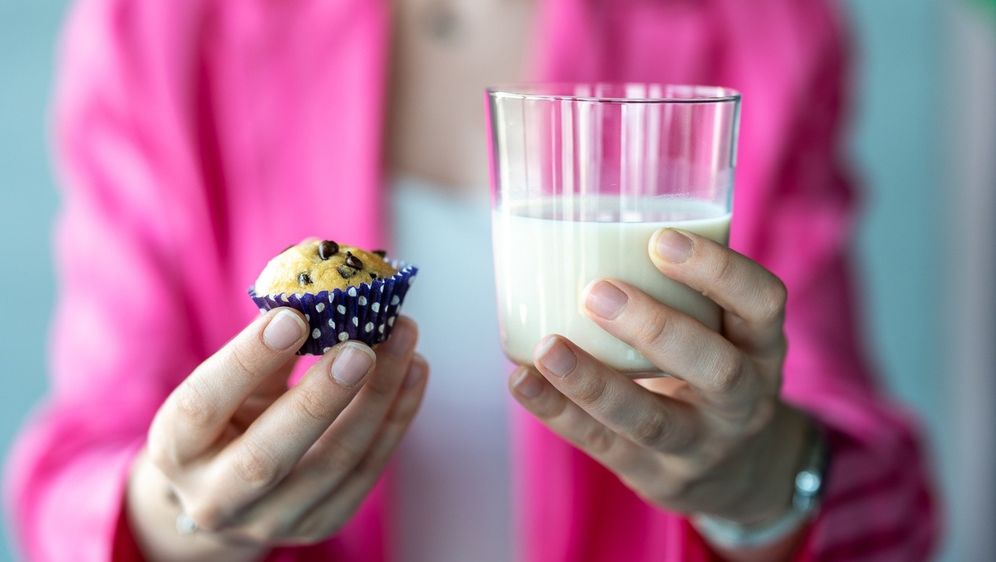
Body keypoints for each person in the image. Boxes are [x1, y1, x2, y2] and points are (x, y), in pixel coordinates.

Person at [4, 0, 938, 561]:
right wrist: (177, 521)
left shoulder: (759, 27)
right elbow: (67, 479)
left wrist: (765, 485)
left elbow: (894, 512)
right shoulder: (161, 29)